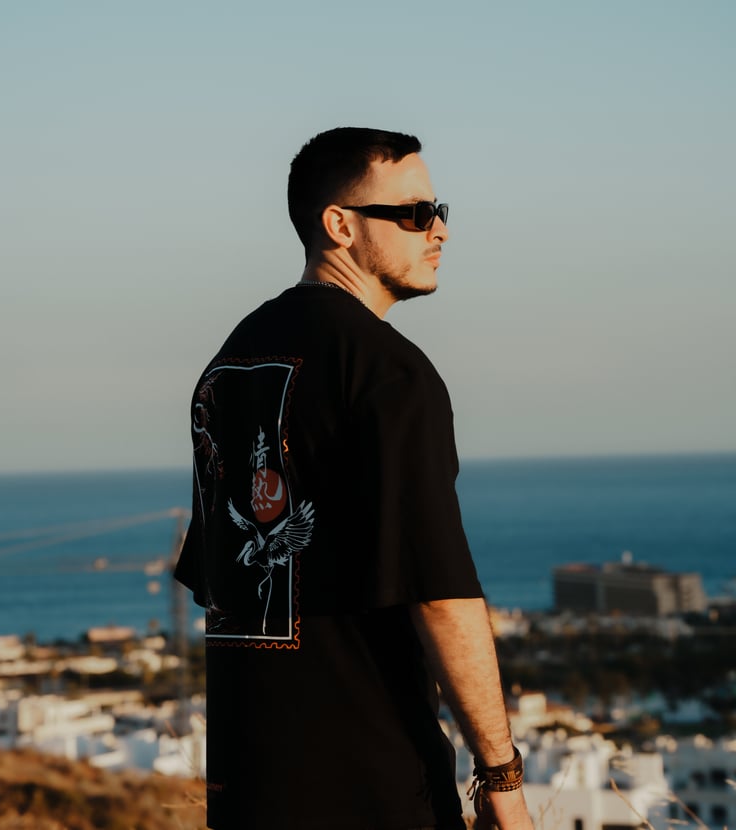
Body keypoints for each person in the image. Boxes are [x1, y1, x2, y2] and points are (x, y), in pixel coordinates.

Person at [174, 127, 532, 830]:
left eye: (439, 211)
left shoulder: (228, 364)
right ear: (340, 225)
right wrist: (502, 777)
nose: (439, 230)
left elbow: (217, 579)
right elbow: (442, 595)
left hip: (249, 787)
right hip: (372, 785)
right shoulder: (391, 374)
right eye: (415, 213)